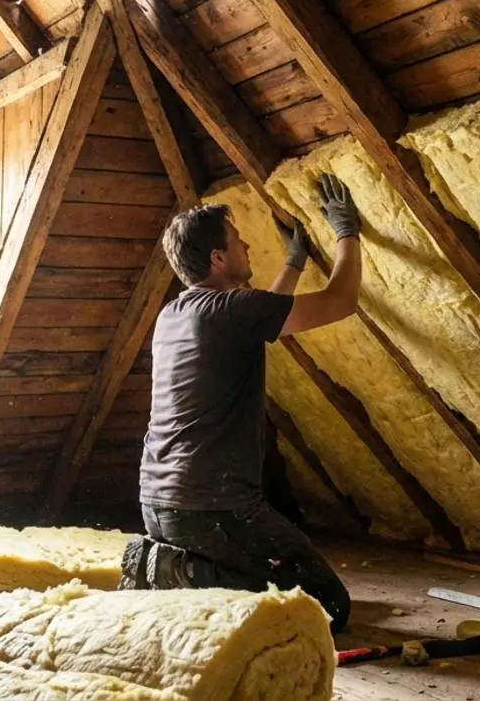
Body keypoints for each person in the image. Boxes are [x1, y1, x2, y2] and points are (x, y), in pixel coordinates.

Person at [120, 174, 362, 633]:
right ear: (217, 258)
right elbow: (341, 301)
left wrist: (294, 262)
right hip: (214, 507)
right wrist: (346, 232)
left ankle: (173, 563)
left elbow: (263, 313)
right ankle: (179, 571)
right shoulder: (231, 311)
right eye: (237, 240)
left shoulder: (176, 314)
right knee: (328, 606)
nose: (247, 245)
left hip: (159, 502)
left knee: (281, 581)